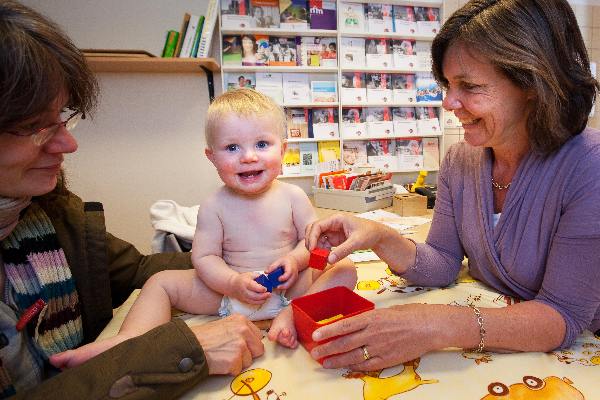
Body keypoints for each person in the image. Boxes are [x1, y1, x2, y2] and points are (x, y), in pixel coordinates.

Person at [305, 0, 600, 371]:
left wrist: (434, 324)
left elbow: (563, 315)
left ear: (532, 83)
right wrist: (378, 236)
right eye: (447, 84)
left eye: (469, 86)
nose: (448, 102)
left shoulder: (589, 166)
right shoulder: (461, 159)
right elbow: (443, 262)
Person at [0, 1, 264, 398]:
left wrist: (250, 261)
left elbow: (138, 269)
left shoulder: (45, 211)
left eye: (63, 119)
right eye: (35, 127)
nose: (68, 144)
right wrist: (177, 353)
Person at [52, 89, 357, 367]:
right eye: (232, 147)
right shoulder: (214, 205)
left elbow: (312, 241)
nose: (248, 156)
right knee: (160, 282)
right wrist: (233, 283)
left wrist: (294, 261)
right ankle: (130, 339)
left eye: (262, 144)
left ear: (284, 150)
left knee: (344, 267)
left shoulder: (293, 196)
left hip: (289, 290)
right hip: (228, 295)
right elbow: (205, 259)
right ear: (212, 157)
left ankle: (292, 316)